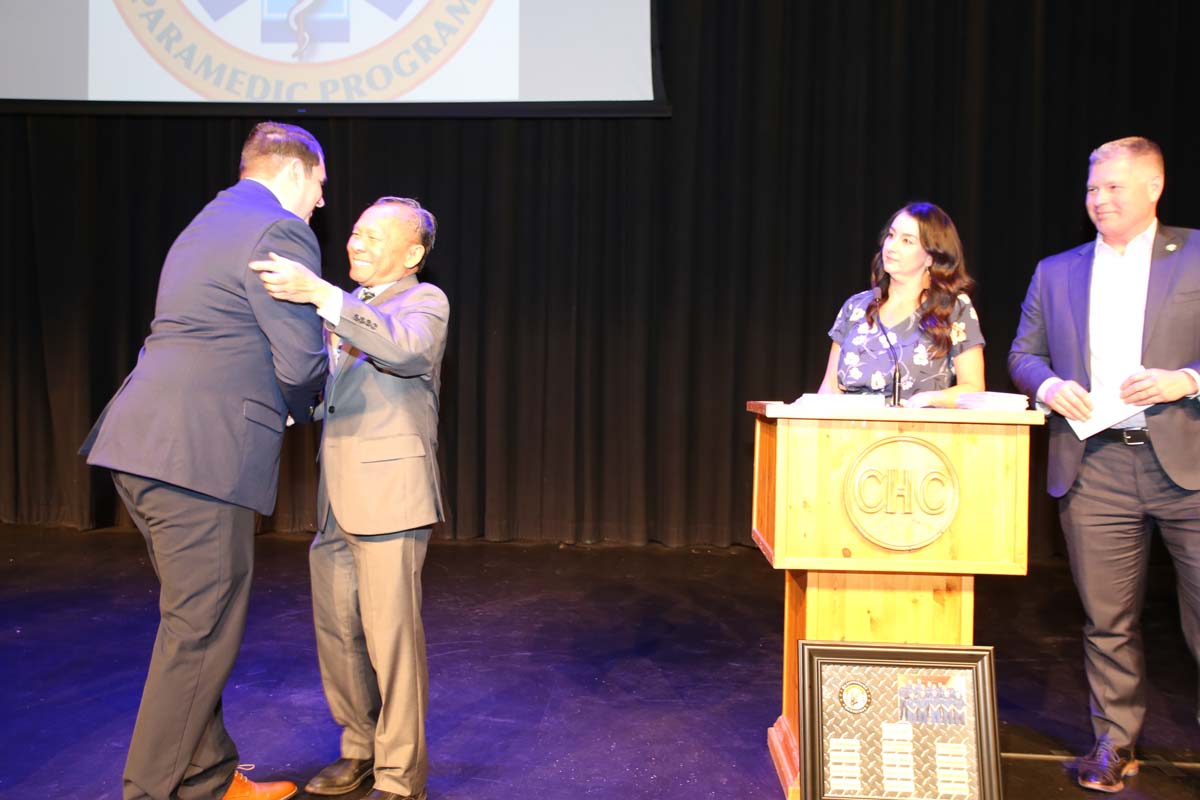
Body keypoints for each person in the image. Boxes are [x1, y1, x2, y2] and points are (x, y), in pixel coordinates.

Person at [80, 122, 329, 800]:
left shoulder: (207, 220)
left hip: (145, 444)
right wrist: (311, 401)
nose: (321, 203)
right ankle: (150, 792)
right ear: (295, 172)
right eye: (321, 186)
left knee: (196, 623)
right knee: (200, 632)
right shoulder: (277, 230)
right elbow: (303, 359)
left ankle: (210, 779)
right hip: (199, 454)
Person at [1009, 136, 1200, 793]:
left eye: (1114, 186)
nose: (1099, 199)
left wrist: (1186, 379)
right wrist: (1048, 386)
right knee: (1107, 620)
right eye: (1093, 188)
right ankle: (1115, 743)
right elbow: (1024, 353)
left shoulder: (1197, 253)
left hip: (1189, 467)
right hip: (1095, 467)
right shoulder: (1056, 270)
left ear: (1154, 187)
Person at [251, 196, 449, 800]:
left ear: (412, 253)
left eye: (371, 235)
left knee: (392, 644)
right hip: (336, 500)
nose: (355, 243)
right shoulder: (348, 310)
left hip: (391, 498)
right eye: (355, 232)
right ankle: (359, 750)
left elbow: (405, 351)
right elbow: (329, 395)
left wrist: (321, 296)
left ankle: (399, 776)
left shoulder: (423, 302)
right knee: (338, 635)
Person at [818, 202, 985, 406]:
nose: (891, 246)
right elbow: (829, 387)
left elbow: (974, 388)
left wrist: (930, 399)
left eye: (907, 241)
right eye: (891, 235)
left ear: (931, 258)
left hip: (917, 434)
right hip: (849, 431)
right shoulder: (856, 307)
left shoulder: (953, 309)